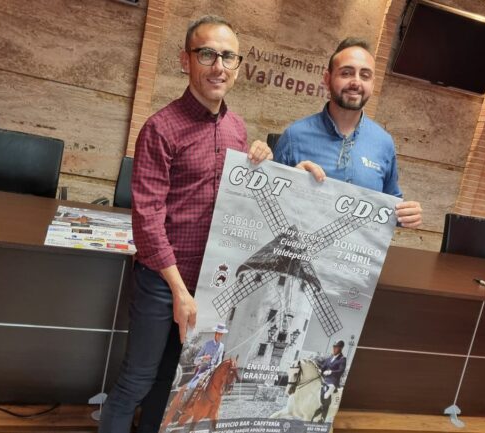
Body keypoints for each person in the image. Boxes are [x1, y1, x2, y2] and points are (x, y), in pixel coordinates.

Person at [99, 15, 272, 433]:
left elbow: (240, 203)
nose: (219, 66)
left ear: (238, 66)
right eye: (207, 54)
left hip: (210, 282)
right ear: (185, 60)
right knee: (137, 380)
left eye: (228, 57)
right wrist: (178, 291)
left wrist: (263, 161)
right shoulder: (160, 129)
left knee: (169, 384)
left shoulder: (236, 128)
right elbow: (147, 220)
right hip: (163, 282)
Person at [273, 38, 422, 229]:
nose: (356, 82)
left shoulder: (384, 143)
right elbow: (270, 201)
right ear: (327, 79)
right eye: (346, 73)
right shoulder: (294, 136)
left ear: (373, 84)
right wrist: (291, 187)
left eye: (365, 75)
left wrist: (406, 215)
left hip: (360, 249)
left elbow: (390, 205)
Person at [177, 324, 229, 411]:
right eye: (218, 333)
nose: (219, 335)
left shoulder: (221, 346)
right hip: (203, 370)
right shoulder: (207, 344)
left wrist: (217, 366)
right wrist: (203, 358)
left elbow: (219, 360)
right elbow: (196, 360)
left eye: (221, 334)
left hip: (213, 371)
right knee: (193, 385)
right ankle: (182, 403)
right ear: (215, 333)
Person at [314, 340, 347, 422]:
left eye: (336, 347)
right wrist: (319, 370)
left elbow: (341, 370)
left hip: (333, 381)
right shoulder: (329, 358)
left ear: (340, 348)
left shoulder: (342, 359)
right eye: (334, 347)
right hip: (324, 380)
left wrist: (331, 372)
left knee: (326, 395)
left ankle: (323, 418)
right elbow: (323, 367)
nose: (334, 349)